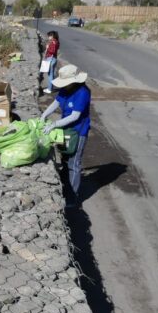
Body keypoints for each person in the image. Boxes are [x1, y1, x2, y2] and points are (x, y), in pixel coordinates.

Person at [41, 64, 92, 207]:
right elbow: (56, 103)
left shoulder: (83, 92)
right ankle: (64, 188)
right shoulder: (65, 90)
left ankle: (72, 198)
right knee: (65, 159)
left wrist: (54, 124)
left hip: (78, 131)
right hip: (65, 130)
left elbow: (75, 116)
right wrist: (44, 115)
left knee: (74, 163)